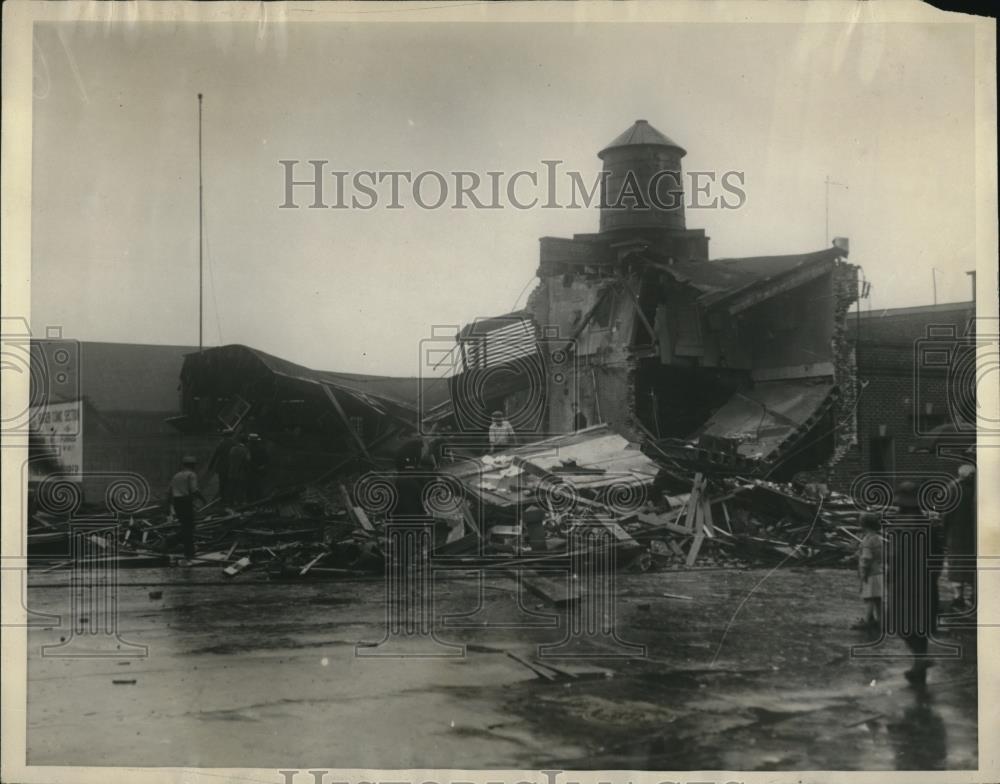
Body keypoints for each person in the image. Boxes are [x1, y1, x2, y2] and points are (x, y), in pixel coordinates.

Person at [888, 480, 945, 685]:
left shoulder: (899, 525)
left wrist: (891, 578)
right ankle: (919, 667)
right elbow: (938, 555)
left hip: (904, 582)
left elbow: (895, 556)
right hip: (925, 582)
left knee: (903, 625)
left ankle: (920, 661)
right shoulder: (926, 524)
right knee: (920, 626)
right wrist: (933, 577)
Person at [946, 464, 976, 611]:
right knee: (970, 564)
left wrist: (945, 529)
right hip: (971, 533)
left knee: (956, 564)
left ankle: (959, 597)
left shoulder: (953, 488)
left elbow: (946, 512)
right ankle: (970, 596)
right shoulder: (977, 488)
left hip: (956, 533)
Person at [167, 455, 206, 559]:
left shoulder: (176, 475)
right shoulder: (191, 475)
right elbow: (194, 490)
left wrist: (169, 505)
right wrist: (203, 499)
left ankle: (175, 543)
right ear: (193, 466)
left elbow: (169, 491)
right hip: (185, 501)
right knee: (189, 527)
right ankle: (188, 552)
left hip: (177, 502)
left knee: (185, 525)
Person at [851, 512, 883, 630]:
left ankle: (868, 620)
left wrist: (863, 572)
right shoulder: (878, 538)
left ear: (864, 525)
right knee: (877, 598)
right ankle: (880, 620)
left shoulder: (867, 540)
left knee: (869, 598)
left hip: (870, 573)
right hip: (879, 571)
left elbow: (866, 558)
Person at [206, 429, 237, 505]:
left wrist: (210, 466)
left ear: (224, 436)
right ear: (231, 435)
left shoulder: (221, 444)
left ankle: (223, 500)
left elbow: (215, 455)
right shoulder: (235, 444)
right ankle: (230, 501)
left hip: (222, 468)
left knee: (222, 484)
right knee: (231, 484)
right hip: (231, 467)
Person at [227, 435, 251, 505]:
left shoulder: (233, 449)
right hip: (241, 473)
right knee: (240, 488)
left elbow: (229, 459)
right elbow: (247, 461)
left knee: (232, 487)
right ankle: (239, 503)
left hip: (231, 472)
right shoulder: (246, 450)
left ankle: (231, 502)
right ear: (246, 442)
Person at [247, 433, 268, 502]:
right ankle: (260, 500)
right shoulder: (262, 448)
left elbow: (248, 461)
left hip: (251, 471)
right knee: (260, 486)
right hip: (261, 470)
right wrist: (263, 466)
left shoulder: (248, 449)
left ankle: (252, 501)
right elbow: (267, 459)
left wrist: (256, 467)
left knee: (251, 487)